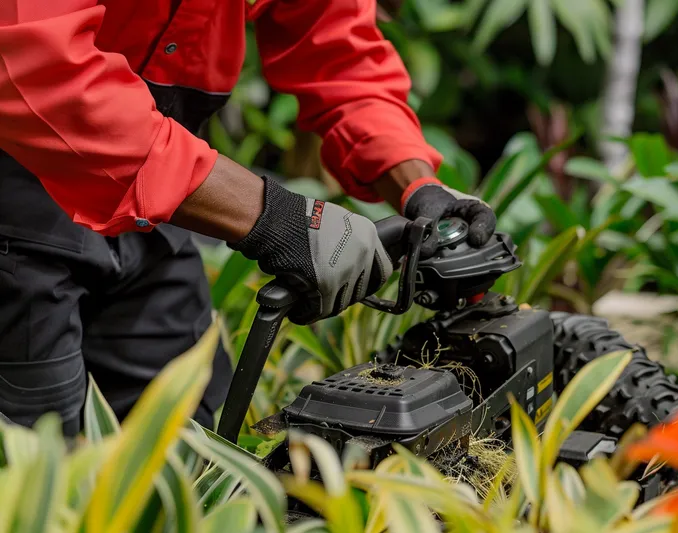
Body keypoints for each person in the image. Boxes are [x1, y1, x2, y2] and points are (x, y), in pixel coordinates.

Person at [0, 0, 496, 435]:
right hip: (18, 192)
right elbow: (37, 65)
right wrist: (272, 218)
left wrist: (416, 185)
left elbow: (336, 49)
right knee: (39, 463)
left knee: (182, 449)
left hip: (154, 207)